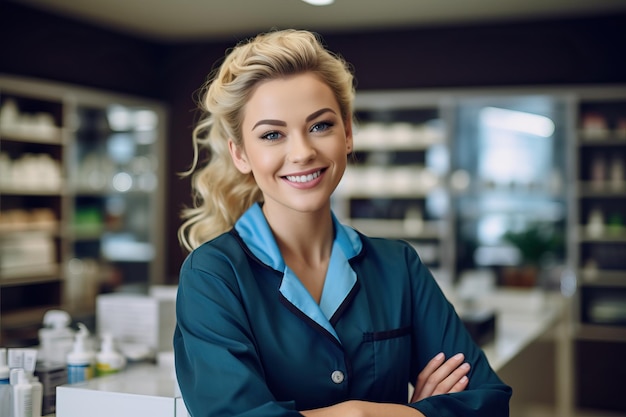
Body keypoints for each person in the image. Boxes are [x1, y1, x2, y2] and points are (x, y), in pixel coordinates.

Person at [173, 28, 512, 417]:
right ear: (241, 155)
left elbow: (488, 402)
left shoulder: (397, 265)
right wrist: (379, 413)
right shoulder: (213, 275)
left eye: (320, 126)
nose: (302, 152)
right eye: (271, 135)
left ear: (348, 133)